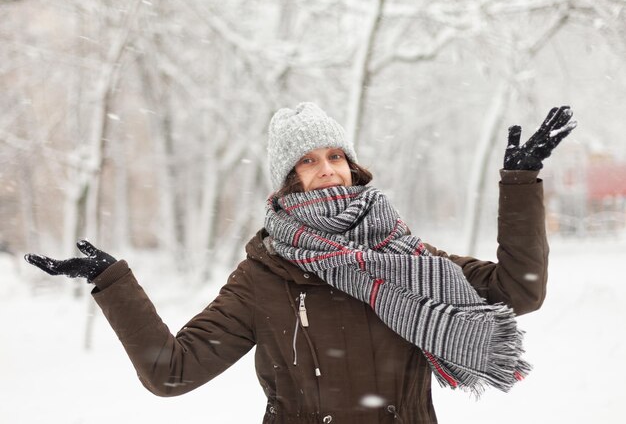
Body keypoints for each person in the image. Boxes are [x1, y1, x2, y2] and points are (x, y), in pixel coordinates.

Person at [25, 102, 577, 423]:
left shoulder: (404, 253)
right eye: (308, 161)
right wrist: (111, 281)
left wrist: (521, 184)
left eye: (335, 155)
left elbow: (518, 292)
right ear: (288, 181)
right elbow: (172, 372)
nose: (328, 169)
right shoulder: (264, 275)